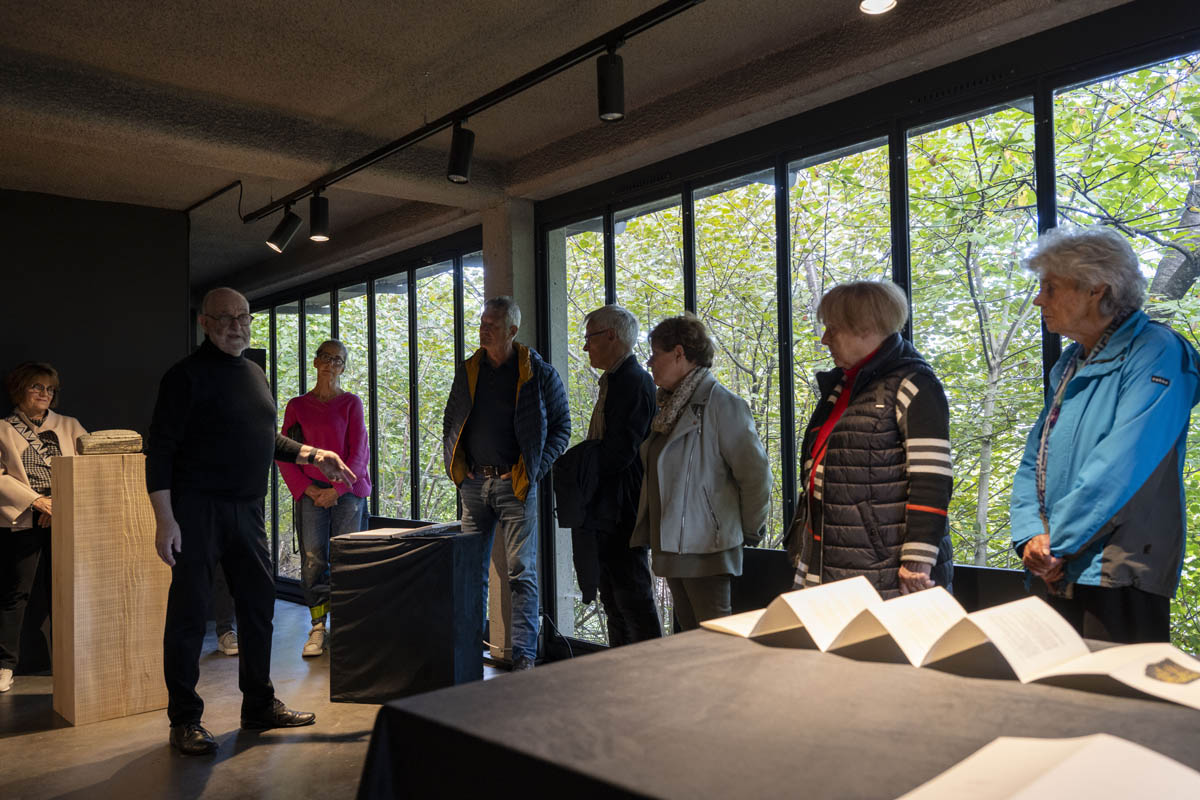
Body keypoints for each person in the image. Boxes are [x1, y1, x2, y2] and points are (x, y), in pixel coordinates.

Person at [147, 287, 356, 755]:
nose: (236, 326)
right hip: (197, 509)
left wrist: (314, 454)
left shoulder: (254, 373)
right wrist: (165, 520)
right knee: (188, 614)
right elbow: (159, 453)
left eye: (243, 317)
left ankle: (258, 704)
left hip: (248, 509)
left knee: (259, 606)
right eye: (225, 318)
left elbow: (266, 438)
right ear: (205, 323)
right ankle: (185, 719)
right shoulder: (183, 377)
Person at [1011, 226, 1200, 643]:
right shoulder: (1069, 363)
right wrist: (1029, 536)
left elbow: (1121, 465)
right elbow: (1033, 457)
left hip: (1117, 572)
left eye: (1051, 287)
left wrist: (1056, 544)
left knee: (1115, 685)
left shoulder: (1158, 351)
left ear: (1096, 289)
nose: (1040, 299)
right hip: (1056, 564)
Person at [785, 281, 954, 599]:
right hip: (831, 558)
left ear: (865, 328)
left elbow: (932, 479)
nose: (825, 339)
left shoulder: (914, 384)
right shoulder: (844, 385)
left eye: (833, 329)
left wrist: (917, 559)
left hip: (885, 570)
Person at [442, 296, 570, 671]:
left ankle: (524, 657)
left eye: (492, 325)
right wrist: (457, 468)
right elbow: (451, 420)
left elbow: (561, 428)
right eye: (482, 323)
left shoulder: (537, 373)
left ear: (512, 330)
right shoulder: (469, 370)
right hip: (473, 485)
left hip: (516, 486)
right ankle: (466, 654)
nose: (484, 330)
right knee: (470, 572)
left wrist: (532, 470)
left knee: (521, 573)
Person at [631, 316, 771, 630]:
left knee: (716, 643)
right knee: (693, 641)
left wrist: (746, 531)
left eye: (655, 354)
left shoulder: (722, 405)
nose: (649, 362)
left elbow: (756, 476)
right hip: (674, 547)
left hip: (708, 548)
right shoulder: (670, 408)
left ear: (679, 353)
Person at [555, 305, 662, 645]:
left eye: (590, 338)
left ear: (612, 336)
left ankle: (647, 672)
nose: (586, 346)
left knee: (633, 600)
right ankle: (620, 670)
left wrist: (577, 462)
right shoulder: (616, 381)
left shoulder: (633, 382)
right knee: (615, 602)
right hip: (608, 509)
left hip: (622, 512)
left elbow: (619, 453)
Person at [278, 339, 371, 657]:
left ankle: (346, 627)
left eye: (338, 360)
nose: (332, 364)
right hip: (310, 492)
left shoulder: (351, 403)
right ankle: (318, 626)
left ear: (343, 368)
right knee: (314, 558)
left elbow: (359, 454)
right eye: (326, 358)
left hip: (347, 494)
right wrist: (308, 490)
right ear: (316, 362)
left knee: (347, 557)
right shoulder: (297, 406)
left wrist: (338, 490)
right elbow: (284, 453)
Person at [0, 362, 87, 694]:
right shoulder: (3, 429)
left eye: (50, 389)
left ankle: (72, 660)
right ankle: (5, 665)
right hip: (23, 517)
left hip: (65, 516)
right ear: (19, 389)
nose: (44, 393)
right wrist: (37, 501)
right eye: (36, 386)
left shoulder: (70, 425)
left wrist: (58, 504)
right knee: (16, 592)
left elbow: (88, 467)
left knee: (67, 590)